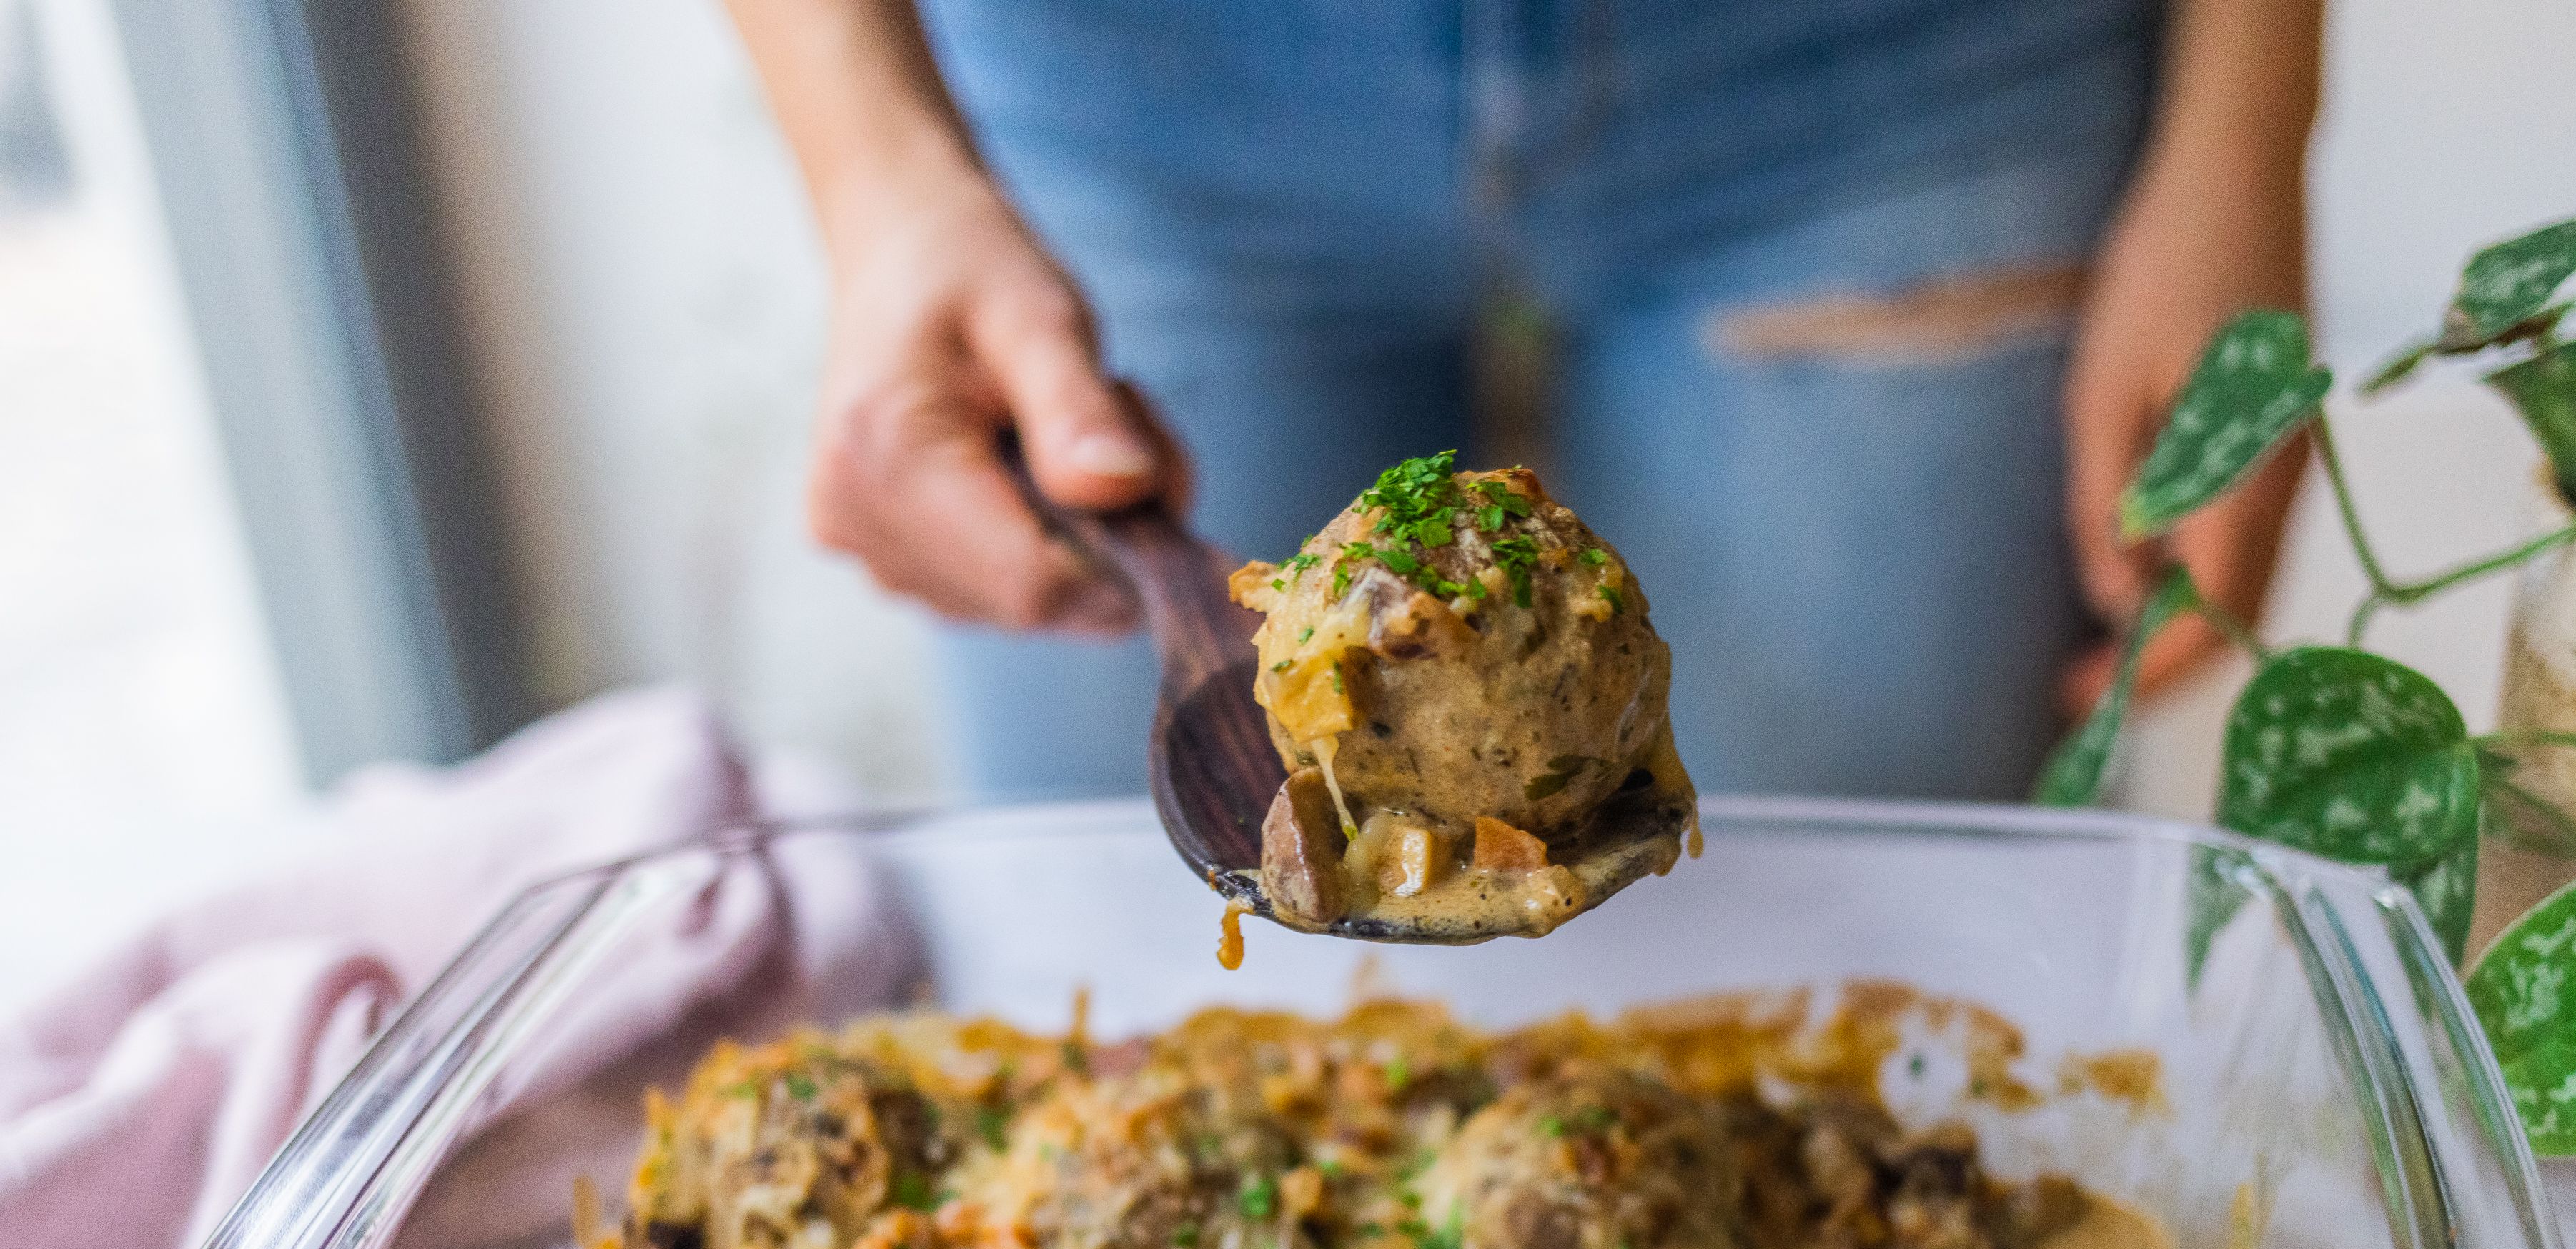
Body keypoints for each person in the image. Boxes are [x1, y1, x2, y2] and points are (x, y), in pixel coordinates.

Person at [725, 0, 2317, 803]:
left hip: (1897, 68)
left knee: (1866, 991)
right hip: (1129, 87)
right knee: (1127, 1003)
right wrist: (876, 176)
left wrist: (2246, 135)